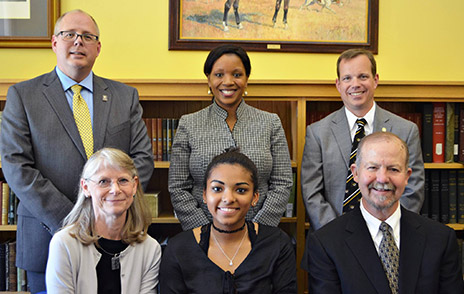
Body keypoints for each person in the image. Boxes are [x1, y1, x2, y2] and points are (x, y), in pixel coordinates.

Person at [0, 10, 154, 293]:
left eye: (87, 36)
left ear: (98, 47)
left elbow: (141, 159)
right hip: (48, 235)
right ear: (54, 43)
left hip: (115, 235)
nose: (78, 42)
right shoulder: (23, 95)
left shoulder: (124, 96)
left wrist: (109, 208)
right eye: (69, 34)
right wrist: (75, 219)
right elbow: (16, 166)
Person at [302, 132, 463, 294]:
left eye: (393, 169)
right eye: (373, 167)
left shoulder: (441, 239)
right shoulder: (325, 244)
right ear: (355, 173)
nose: (382, 178)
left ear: (407, 176)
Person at [168, 44, 293, 230]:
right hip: (202, 235)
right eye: (219, 75)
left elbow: (283, 182)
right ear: (208, 79)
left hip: (261, 235)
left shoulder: (270, 122)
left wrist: (259, 228)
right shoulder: (189, 124)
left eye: (236, 74)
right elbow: (178, 187)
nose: (228, 82)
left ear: (247, 79)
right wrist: (204, 231)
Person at [301, 48, 424, 231]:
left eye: (363, 76)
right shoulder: (317, 132)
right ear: (338, 84)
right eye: (347, 78)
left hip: (389, 235)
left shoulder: (406, 130)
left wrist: (384, 229)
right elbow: (311, 193)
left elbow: (413, 189)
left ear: (375, 80)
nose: (355, 84)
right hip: (333, 237)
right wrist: (337, 233)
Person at [161, 148, 296, 293]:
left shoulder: (278, 244)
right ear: (205, 195)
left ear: (255, 197)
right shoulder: (178, 249)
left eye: (241, 190)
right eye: (217, 189)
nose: (228, 199)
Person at [46, 148, 161, 293]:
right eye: (104, 182)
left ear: (134, 185)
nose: (115, 190)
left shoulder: (150, 249)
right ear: (86, 187)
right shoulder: (64, 244)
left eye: (123, 180)